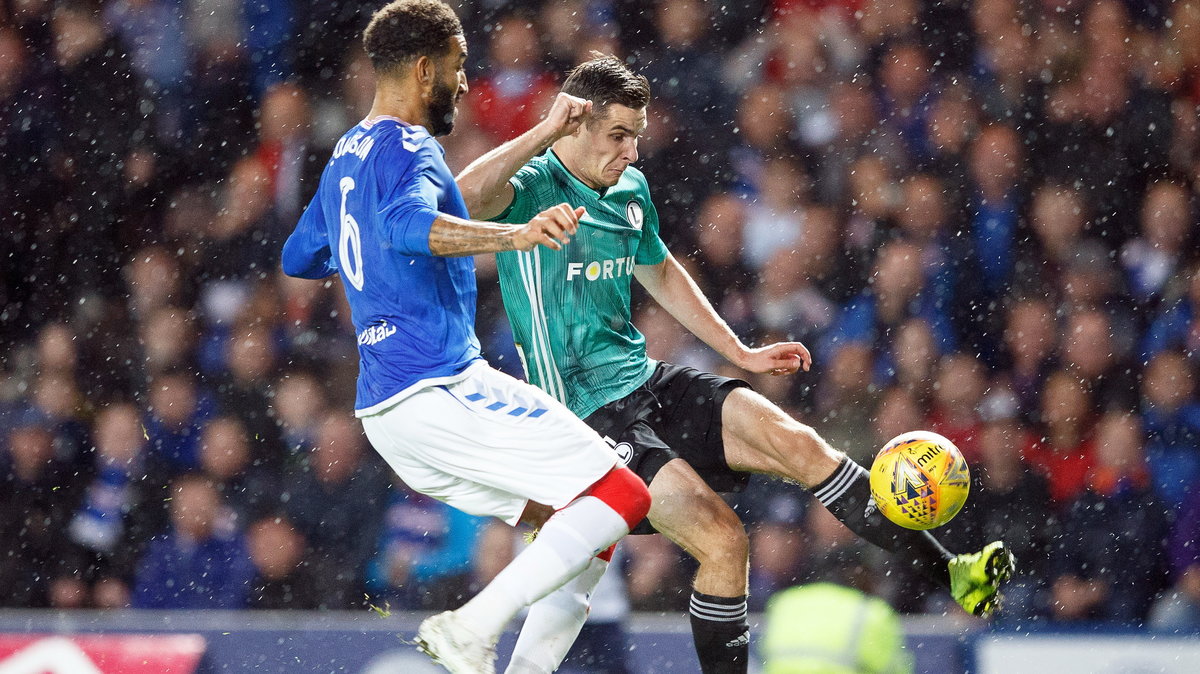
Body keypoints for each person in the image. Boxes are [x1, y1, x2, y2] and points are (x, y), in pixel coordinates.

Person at [457, 55, 1014, 674]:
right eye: (617, 136)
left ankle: (954, 569)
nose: (632, 153)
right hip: (585, 418)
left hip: (644, 381)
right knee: (725, 542)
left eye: (637, 135)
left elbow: (661, 269)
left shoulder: (630, 189)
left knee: (799, 445)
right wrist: (542, 130)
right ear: (574, 126)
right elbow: (464, 197)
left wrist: (738, 354)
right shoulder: (532, 186)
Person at [279, 4, 651, 672]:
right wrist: (516, 234)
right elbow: (409, 226)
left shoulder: (346, 157)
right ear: (425, 69)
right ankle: (469, 626)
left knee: (583, 522)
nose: (461, 80)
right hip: (438, 383)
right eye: (455, 67)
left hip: (387, 409)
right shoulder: (409, 147)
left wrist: (545, 130)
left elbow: (301, 256)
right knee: (625, 495)